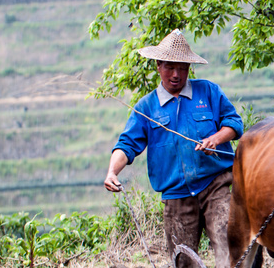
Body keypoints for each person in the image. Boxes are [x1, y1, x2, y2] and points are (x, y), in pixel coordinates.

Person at [104, 29, 243, 268]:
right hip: (176, 196)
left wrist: (216, 139)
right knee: (183, 260)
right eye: (170, 67)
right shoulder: (146, 108)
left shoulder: (208, 92)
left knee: (229, 249)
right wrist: (112, 172)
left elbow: (234, 123)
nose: (176, 74)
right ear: (158, 65)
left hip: (216, 186)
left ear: (189, 67)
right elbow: (126, 146)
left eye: (182, 68)